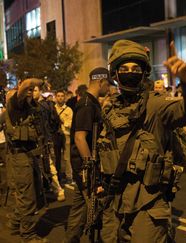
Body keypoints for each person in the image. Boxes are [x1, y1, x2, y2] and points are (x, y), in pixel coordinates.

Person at [97, 39, 186, 242]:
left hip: (148, 204)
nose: (130, 72)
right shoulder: (110, 108)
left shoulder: (156, 105)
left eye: (135, 68)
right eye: (124, 68)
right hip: (115, 203)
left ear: (144, 72)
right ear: (115, 73)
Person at [64, 67, 115, 243]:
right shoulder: (87, 104)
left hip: (84, 167)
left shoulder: (92, 102)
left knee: (80, 210)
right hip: (86, 167)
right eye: (108, 84)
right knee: (95, 209)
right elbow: (80, 138)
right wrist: (90, 167)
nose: (109, 88)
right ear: (100, 82)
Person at [4, 78, 49, 242]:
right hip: (20, 157)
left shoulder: (29, 109)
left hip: (28, 155)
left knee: (31, 194)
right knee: (27, 197)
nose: (30, 91)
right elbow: (24, 88)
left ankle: (16, 223)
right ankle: (28, 235)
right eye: (28, 90)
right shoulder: (15, 107)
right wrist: (37, 82)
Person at [33, 85, 65, 202]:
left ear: (40, 92)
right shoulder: (33, 106)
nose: (32, 93)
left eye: (35, 90)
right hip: (35, 141)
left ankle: (58, 190)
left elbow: (53, 122)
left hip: (44, 141)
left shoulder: (44, 106)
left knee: (49, 166)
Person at [54, 90, 74, 189]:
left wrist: (63, 122)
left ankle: (69, 177)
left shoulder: (69, 110)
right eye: (58, 96)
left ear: (65, 97)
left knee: (67, 158)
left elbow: (71, 124)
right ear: (55, 97)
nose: (60, 98)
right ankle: (57, 177)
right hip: (56, 136)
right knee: (56, 158)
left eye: (62, 96)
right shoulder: (52, 109)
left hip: (66, 135)